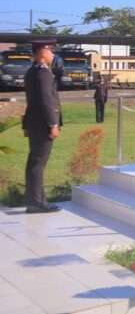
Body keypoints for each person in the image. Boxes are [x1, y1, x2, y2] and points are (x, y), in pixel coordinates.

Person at [22, 39, 61, 213]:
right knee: (38, 163)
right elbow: (46, 101)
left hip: (34, 122)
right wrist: (53, 123)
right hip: (43, 124)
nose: (53, 54)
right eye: (50, 51)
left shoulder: (31, 71)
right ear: (42, 52)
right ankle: (36, 202)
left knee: (34, 162)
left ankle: (36, 200)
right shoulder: (43, 73)